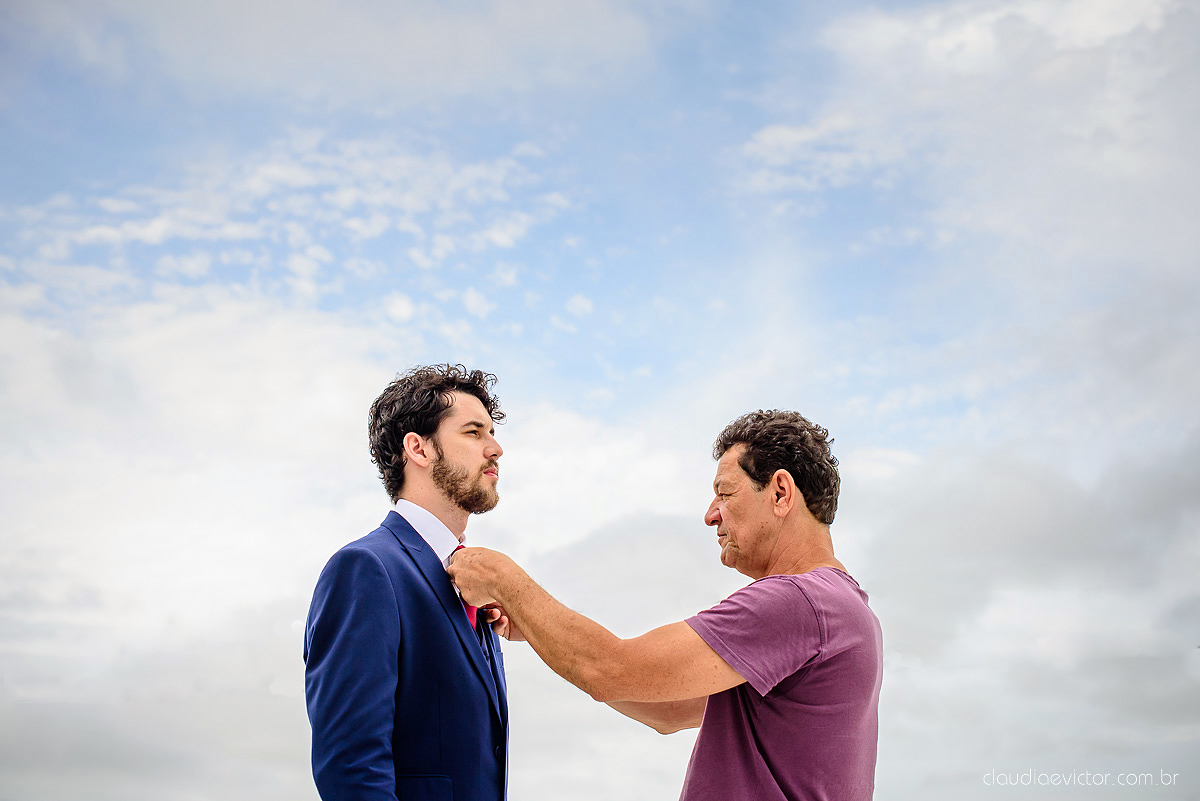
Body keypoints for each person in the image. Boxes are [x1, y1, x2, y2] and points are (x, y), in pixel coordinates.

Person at [449, 410, 883, 801]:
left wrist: (503, 579)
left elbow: (613, 670)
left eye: (725, 493)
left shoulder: (798, 602)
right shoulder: (842, 608)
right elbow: (668, 710)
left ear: (781, 492)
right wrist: (536, 626)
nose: (711, 515)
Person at [304, 364, 509, 801]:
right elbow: (351, 768)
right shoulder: (366, 569)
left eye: (491, 433)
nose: (496, 449)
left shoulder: (476, 587)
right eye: (474, 433)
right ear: (418, 448)